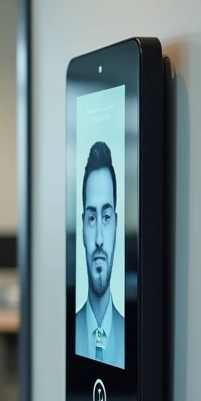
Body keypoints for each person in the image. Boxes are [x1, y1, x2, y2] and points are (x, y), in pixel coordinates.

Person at [75, 141, 125, 368]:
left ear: (116, 224)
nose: (99, 239)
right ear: (82, 227)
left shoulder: (130, 336)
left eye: (105, 217)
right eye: (91, 218)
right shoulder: (67, 334)